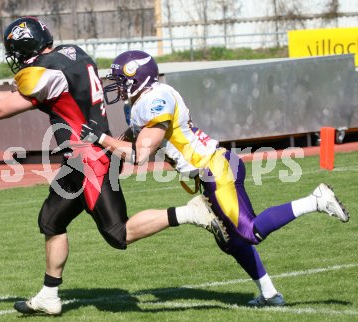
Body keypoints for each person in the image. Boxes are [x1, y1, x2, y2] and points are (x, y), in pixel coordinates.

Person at [0, 17, 229, 316]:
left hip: (89, 161)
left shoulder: (44, 72)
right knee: (51, 220)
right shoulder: (72, 54)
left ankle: (191, 212)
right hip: (79, 160)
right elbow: (17, 98)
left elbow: (1, 109)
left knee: (119, 233)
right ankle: (49, 295)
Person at [80, 50, 350, 306]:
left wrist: (100, 138)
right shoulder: (148, 100)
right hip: (213, 170)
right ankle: (269, 294)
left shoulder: (155, 100)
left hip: (216, 169)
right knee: (232, 242)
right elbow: (134, 137)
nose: (116, 86)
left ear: (137, 79)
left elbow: (140, 154)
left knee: (250, 231)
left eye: (121, 80)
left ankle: (316, 200)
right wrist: (109, 143)